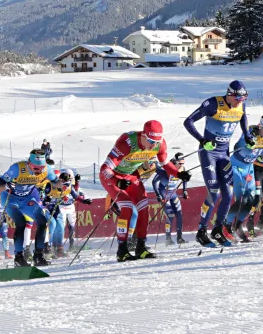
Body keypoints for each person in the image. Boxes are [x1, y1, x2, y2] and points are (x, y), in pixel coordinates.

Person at [99, 120, 190, 262]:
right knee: (127, 207)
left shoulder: (159, 144)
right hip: (112, 177)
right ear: (143, 135)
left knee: (143, 206)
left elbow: (165, 163)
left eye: (156, 141)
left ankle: (140, 247)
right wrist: (117, 181)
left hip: (130, 175)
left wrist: (179, 174)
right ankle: (122, 249)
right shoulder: (126, 142)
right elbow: (105, 169)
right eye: (150, 140)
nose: (153, 145)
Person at [184, 80, 249, 246]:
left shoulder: (240, 105)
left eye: (241, 100)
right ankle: (201, 230)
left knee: (228, 194)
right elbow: (188, 121)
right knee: (214, 193)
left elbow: (243, 117)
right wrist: (202, 139)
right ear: (229, 95)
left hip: (224, 154)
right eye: (236, 100)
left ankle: (218, 230)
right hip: (208, 153)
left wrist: (247, 135)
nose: (238, 103)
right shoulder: (213, 104)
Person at [0, 149, 56, 267]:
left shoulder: (46, 170)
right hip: (11, 199)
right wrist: (6, 186)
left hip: (28, 199)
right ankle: (19, 257)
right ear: (29, 163)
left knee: (42, 221)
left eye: (42, 168)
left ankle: (38, 256)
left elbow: (57, 182)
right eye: (36, 168)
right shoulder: (17, 169)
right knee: (21, 223)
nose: (39, 171)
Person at [223, 119, 263, 243]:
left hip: (249, 168)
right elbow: (237, 146)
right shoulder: (250, 133)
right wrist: (246, 142)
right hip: (236, 167)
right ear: (260, 126)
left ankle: (238, 225)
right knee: (242, 199)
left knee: (251, 201)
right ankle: (226, 225)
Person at [44, 169, 92, 256]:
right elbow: (40, 196)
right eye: (63, 183)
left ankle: (59, 248)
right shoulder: (49, 186)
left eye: (67, 183)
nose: (65, 186)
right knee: (52, 225)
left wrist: (84, 201)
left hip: (56, 210)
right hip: (47, 209)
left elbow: (76, 196)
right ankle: (46, 247)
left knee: (60, 227)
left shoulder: (69, 187)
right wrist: (45, 200)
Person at [153, 153, 189, 245]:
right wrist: (158, 195)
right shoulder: (166, 169)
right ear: (175, 163)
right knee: (171, 215)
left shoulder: (182, 169)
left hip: (173, 194)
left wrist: (185, 191)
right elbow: (154, 182)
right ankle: (168, 238)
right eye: (180, 163)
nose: (182, 165)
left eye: (183, 163)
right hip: (164, 194)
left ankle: (179, 237)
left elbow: (184, 179)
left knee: (179, 214)